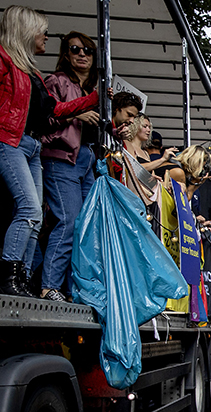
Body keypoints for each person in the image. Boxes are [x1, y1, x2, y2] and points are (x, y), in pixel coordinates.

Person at [0, 7, 99, 297]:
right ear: (26, 30)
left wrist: (94, 98)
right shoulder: (5, 61)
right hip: (11, 142)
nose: (46, 35)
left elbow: (53, 109)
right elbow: (55, 117)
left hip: (30, 146)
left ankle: (23, 279)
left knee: (37, 218)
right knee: (30, 210)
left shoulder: (30, 71)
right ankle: (10, 276)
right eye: (42, 30)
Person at [38, 31, 101, 302]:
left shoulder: (97, 89)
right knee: (69, 221)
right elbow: (44, 120)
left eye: (87, 50)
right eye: (75, 49)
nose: (82, 54)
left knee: (86, 227)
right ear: (66, 53)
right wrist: (77, 113)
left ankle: (71, 288)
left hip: (87, 159)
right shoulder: (57, 81)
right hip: (61, 158)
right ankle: (48, 286)